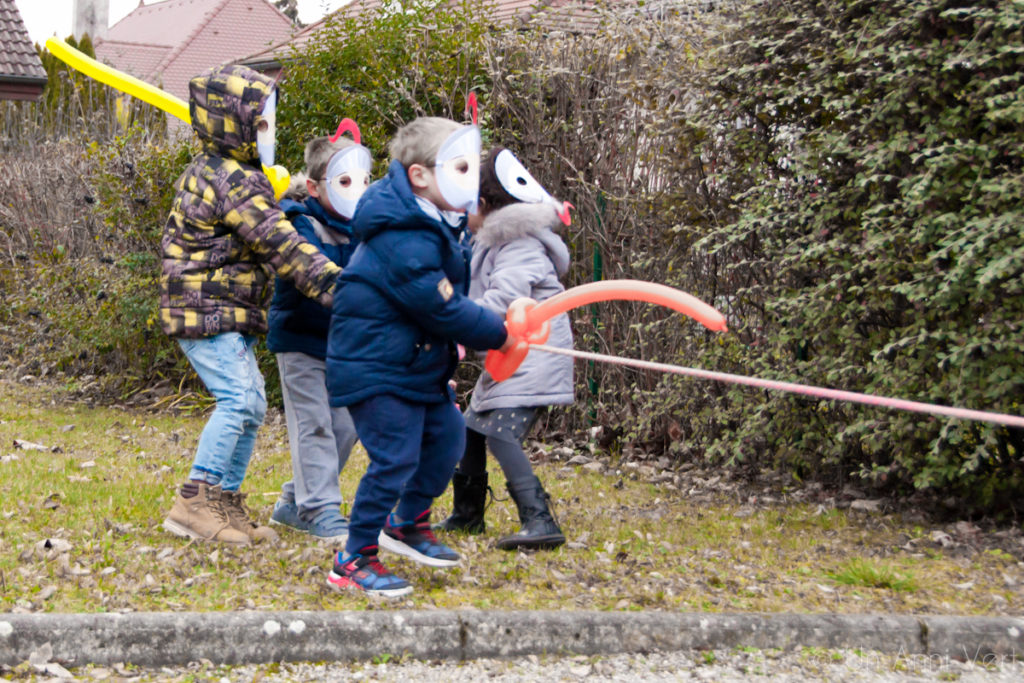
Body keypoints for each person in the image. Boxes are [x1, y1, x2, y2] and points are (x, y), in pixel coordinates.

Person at [324, 117, 516, 597]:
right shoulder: (402, 236)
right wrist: (501, 333)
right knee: (394, 457)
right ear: (421, 176)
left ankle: (406, 522)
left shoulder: (435, 222)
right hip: (374, 367)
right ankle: (353, 557)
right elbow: (440, 303)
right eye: (462, 168)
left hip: (413, 365)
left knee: (448, 439)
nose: (472, 183)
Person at [161, 64, 341, 546]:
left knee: (253, 401)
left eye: (270, 123)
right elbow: (283, 246)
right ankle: (194, 501)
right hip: (202, 306)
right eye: (260, 123)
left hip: (216, 306)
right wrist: (343, 288)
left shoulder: (232, 171)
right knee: (238, 398)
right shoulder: (233, 179)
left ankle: (224, 500)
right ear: (233, 123)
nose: (269, 133)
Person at [437, 147, 573, 550]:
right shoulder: (493, 243)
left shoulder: (521, 245)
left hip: (535, 358)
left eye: (466, 205)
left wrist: (453, 317)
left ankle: (540, 520)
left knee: (500, 435)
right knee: (469, 431)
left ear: (482, 204)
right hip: (507, 360)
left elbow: (499, 303)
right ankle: (467, 515)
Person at [267, 124, 373, 542]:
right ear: (313, 186)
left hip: (345, 349)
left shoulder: (367, 227)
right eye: (344, 182)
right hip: (301, 344)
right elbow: (310, 276)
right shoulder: (298, 222)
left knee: (345, 428)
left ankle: (293, 502)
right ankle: (322, 509)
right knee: (313, 426)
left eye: (364, 181)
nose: (356, 190)